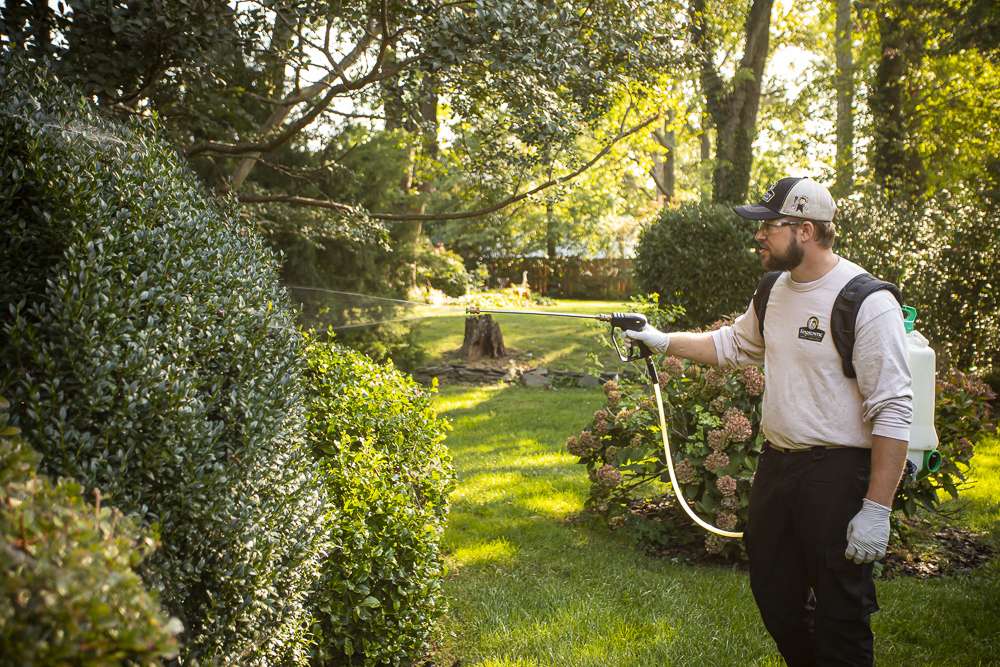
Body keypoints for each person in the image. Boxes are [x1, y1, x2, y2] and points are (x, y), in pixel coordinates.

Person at [626, 177, 912, 666]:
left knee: (841, 614)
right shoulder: (773, 290)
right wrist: (660, 339)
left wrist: (877, 509)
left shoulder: (865, 302)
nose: (758, 236)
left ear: (805, 229)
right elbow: (732, 346)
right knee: (775, 597)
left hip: (839, 474)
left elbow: (894, 409)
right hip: (778, 468)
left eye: (768, 226)